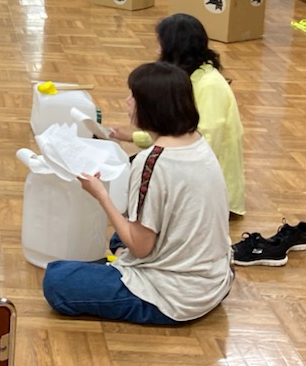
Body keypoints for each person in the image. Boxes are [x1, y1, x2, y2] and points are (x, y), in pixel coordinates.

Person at [42, 62, 234, 325]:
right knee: (119, 237)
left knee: (57, 278)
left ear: (151, 107)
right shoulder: (197, 140)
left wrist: (101, 195)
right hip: (216, 279)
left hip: (176, 297)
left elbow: (141, 248)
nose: (127, 102)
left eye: (133, 97)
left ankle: (128, 275)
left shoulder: (152, 162)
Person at [110, 13, 246, 216]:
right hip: (186, 170)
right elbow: (174, 129)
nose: (157, 51)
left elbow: (206, 143)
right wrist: (133, 137)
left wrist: (163, 169)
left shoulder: (210, 84)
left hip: (209, 193)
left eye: (161, 45)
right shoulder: (188, 77)